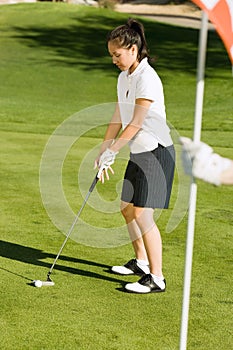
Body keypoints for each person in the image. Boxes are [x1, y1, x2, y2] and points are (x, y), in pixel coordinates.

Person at [95, 18, 175, 294]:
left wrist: (114, 151)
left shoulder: (147, 79)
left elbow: (137, 122)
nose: (114, 60)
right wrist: (105, 148)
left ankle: (157, 277)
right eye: (111, 55)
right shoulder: (124, 77)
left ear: (132, 48)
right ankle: (141, 262)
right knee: (127, 207)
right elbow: (119, 114)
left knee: (142, 213)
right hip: (140, 152)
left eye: (117, 54)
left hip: (157, 151)